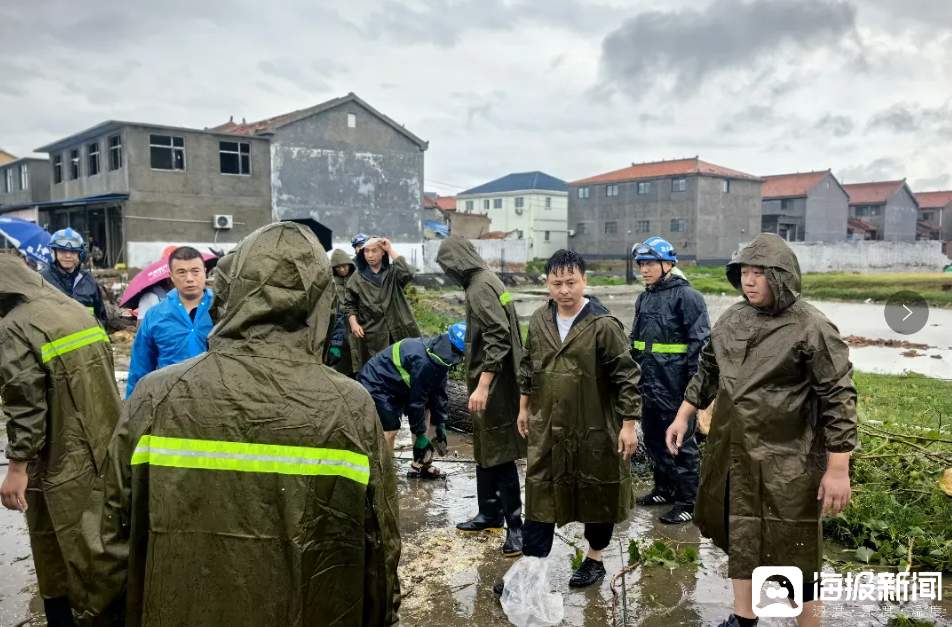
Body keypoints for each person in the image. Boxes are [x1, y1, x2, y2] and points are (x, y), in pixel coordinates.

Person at [98, 222, 402, 626]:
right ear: (320, 303)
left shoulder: (156, 397)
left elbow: (109, 541)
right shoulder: (349, 406)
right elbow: (380, 545)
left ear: (226, 292)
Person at [666, 234, 857, 627]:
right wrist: (684, 414)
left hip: (789, 458)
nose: (750, 281)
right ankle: (743, 617)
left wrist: (838, 469)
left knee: (796, 549)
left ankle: (809, 623)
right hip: (732, 450)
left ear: (782, 277)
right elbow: (708, 369)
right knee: (739, 531)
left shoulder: (813, 327)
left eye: (760, 273)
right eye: (745, 273)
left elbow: (839, 397)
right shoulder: (734, 318)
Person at [500, 249, 642, 595]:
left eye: (571, 282)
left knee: (597, 489)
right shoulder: (539, 320)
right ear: (547, 284)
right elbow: (529, 368)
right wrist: (523, 407)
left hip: (593, 426)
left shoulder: (603, 326)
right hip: (548, 424)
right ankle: (532, 568)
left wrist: (628, 423)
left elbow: (627, 377)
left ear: (584, 281)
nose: (564, 290)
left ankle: (594, 558)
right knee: (541, 491)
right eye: (557, 283)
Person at [0, 254, 121, 626]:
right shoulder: (71, 308)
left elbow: (25, 403)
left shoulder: (14, 327)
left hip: (60, 455)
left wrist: (17, 467)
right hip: (106, 444)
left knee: (59, 546)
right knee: (103, 538)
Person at [436, 237, 527, 557]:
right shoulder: (488, 279)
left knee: (499, 452)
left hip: (498, 386)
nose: (447, 272)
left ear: (458, 261)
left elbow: (499, 335)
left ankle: (516, 527)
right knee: (486, 448)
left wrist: (484, 384)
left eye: (447, 266)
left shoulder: (478, 287)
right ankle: (489, 514)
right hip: (498, 381)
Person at [629, 236, 709, 524]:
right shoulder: (645, 296)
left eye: (649, 263)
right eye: (641, 264)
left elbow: (699, 346)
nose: (644, 270)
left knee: (681, 445)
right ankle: (664, 490)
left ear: (668, 264)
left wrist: (693, 392)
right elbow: (636, 341)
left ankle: (688, 501)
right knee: (652, 439)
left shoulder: (688, 297)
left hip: (676, 387)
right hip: (649, 384)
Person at [357, 324, 466, 479]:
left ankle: (421, 465)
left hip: (401, 384)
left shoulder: (441, 357)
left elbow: (439, 394)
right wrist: (421, 435)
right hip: (378, 382)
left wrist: (440, 424)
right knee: (391, 429)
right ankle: (385, 473)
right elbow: (416, 402)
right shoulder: (425, 362)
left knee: (429, 412)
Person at [126, 246, 213, 396]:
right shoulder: (155, 316)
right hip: (170, 402)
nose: (190, 278)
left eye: (195, 271)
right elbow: (140, 367)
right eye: (182, 272)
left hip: (215, 400)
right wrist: (132, 407)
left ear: (205, 272)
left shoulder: (222, 309)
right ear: (171, 276)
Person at [343, 236, 421, 368]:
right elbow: (350, 304)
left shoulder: (392, 272)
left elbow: (407, 272)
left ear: (382, 252)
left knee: (404, 363)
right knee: (377, 368)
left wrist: (390, 248)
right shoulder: (357, 277)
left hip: (398, 326)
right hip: (373, 331)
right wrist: (354, 323)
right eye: (366, 251)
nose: (370, 255)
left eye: (374, 251)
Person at [41, 227, 107, 323]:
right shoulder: (42, 279)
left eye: (73, 251)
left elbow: (101, 316)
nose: (68, 255)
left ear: (80, 254)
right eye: (62, 250)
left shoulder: (88, 280)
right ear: (53, 252)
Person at [326, 248, 359, 376]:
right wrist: (335, 343)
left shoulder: (357, 280)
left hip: (357, 328)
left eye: (344, 266)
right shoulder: (331, 285)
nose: (342, 269)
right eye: (338, 267)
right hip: (340, 333)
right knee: (342, 369)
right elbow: (334, 314)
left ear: (349, 265)